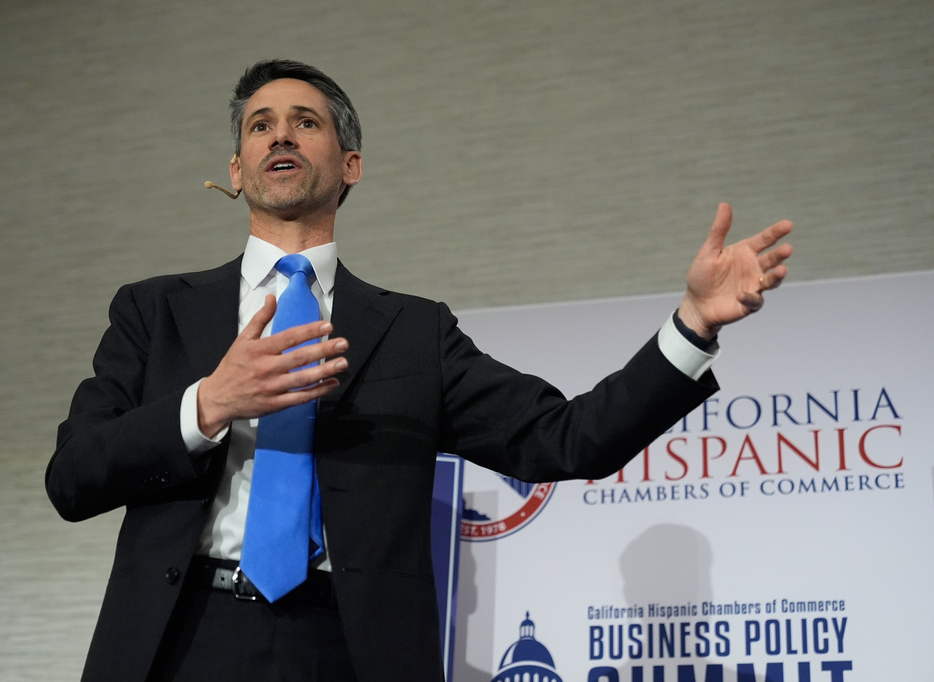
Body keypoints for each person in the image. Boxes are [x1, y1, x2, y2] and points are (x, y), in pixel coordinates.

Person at [46, 59, 793, 682]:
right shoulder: (155, 312)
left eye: (307, 121)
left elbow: (567, 439)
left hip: (347, 645)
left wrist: (694, 325)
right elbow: (74, 476)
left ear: (351, 165)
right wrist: (209, 402)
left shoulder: (412, 333)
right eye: (260, 123)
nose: (281, 132)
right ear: (237, 171)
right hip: (181, 640)